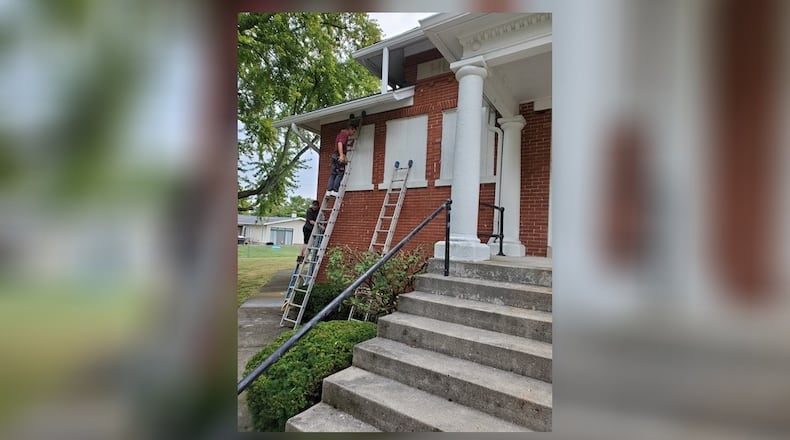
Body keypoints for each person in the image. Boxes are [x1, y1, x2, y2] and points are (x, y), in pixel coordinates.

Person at [326, 123, 357, 196]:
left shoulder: (340, 134)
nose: (353, 134)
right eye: (354, 132)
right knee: (340, 174)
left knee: (333, 174)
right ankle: (335, 191)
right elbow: (340, 143)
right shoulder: (344, 135)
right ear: (350, 129)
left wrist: (345, 153)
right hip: (338, 156)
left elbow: (341, 144)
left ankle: (329, 190)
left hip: (334, 155)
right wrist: (341, 155)